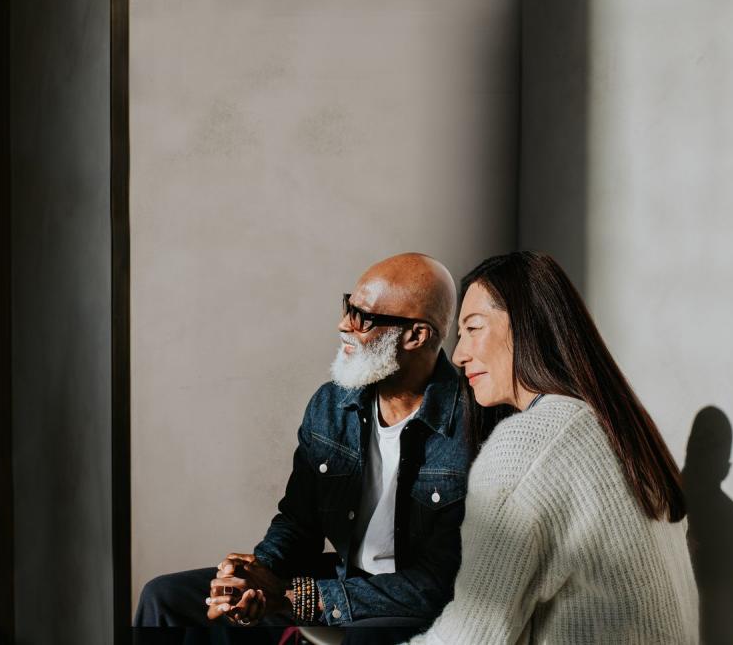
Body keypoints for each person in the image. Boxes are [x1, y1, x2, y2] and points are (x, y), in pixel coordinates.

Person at [134, 253, 471, 644]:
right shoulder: (332, 405)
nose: (343, 325)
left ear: (416, 336)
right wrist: (255, 578)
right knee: (165, 599)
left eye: (363, 318)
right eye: (348, 307)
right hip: (341, 578)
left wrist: (304, 599)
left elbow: (440, 581)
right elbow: (298, 521)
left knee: (364, 639)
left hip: (410, 605)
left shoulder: (470, 425)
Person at [408, 251, 699, 644]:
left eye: (473, 328)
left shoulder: (528, 446)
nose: (459, 355)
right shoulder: (619, 430)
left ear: (528, 326)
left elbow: (471, 638)